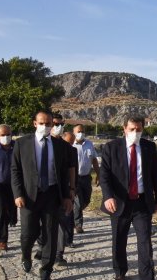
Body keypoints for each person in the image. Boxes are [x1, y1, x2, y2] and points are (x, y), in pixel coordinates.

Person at [99, 116, 157, 280]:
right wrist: (108, 197)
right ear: (124, 129)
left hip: (142, 202)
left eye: (139, 129)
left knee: (145, 241)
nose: (135, 132)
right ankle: (120, 273)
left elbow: (156, 175)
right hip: (119, 202)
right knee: (119, 240)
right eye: (132, 129)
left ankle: (147, 275)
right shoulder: (111, 147)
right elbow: (104, 175)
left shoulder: (149, 147)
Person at [11, 110, 74, 279]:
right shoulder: (22, 143)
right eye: (42, 123)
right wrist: (18, 194)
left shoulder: (59, 145)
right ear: (34, 123)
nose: (45, 127)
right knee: (28, 232)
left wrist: (67, 196)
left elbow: (64, 173)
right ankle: (26, 255)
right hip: (29, 196)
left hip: (52, 195)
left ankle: (46, 269)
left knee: (50, 234)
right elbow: (15, 170)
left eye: (49, 124)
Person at [34, 120, 78, 268]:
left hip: (60, 192)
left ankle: (58, 254)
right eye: (53, 124)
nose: (55, 127)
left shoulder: (68, 148)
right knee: (40, 222)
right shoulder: (35, 144)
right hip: (39, 192)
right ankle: (42, 246)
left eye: (59, 124)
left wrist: (72, 189)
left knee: (61, 223)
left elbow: (72, 169)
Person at [72, 124, 100, 233]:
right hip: (75, 178)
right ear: (73, 132)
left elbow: (94, 160)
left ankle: (73, 213)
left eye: (83, 131)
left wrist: (98, 174)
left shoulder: (89, 144)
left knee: (86, 200)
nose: (81, 133)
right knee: (78, 202)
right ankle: (78, 225)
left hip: (86, 177)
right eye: (78, 131)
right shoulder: (71, 145)